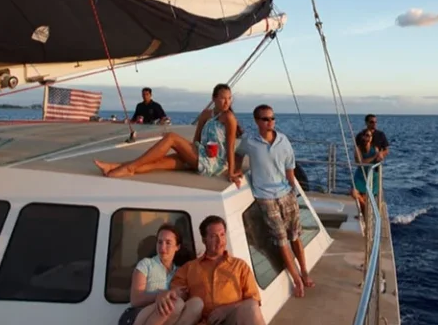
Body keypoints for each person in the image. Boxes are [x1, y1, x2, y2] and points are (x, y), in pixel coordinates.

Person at [234, 104, 315, 298]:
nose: (270, 122)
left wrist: (292, 189)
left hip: (286, 194)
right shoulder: (250, 141)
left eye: (272, 118)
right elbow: (238, 153)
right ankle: (296, 279)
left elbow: (290, 166)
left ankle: (304, 270)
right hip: (266, 198)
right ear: (257, 121)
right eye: (265, 119)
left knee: (295, 235)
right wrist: (235, 170)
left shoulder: (283, 140)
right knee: (281, 239)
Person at [94, 83, 242, 187]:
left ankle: (129, 168)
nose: (227, 102)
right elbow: (196, 139)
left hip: (213, 162)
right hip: (199, 153)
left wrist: (231, 172)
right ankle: (113, 167)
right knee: (156, 163)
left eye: (229, 98)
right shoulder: (206, 114)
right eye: (223, 98)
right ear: (214, 98)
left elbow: (230, 147)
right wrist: (187, 154)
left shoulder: (229, 118)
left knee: (171, 137)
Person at [170, 215, 264, 325]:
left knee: (251, 307)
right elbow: (175, 294)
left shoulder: (240, 266)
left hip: (232, 319)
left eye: (222, 234)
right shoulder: (189, 268)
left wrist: (227, 310)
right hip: (204, 324)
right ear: (204, 240)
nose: (220, 241)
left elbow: (254, 299)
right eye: (213, 236)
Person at [116, 224, 203, 325]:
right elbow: (135, 300)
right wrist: (160, 295)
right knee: (175, 303)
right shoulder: (146, 264)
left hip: (166, 320)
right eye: (160, 242)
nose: (162, 247)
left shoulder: (180, 271)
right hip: (138, 316)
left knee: (197, 303)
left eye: (168, 243)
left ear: (177, 247)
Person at [351, 130, 383, 215]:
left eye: (370, 136)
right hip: (360, 176)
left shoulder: (374, 149)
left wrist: (379, 156)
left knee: (365, 196)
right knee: (354, 193)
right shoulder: (358, 149)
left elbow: (378, 160)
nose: (368, 137)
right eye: (366, 135)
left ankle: (364, 214)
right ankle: (366, 209)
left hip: (371, 177)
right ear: (362, 137)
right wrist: (374, 157)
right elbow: (360, 162)